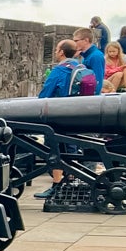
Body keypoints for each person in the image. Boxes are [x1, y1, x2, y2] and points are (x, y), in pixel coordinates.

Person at [34, 40, 94, 197]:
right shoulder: (80, 67)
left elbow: (45, 95)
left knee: (54, 150)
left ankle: (57, 185)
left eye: (56, 49)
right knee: (71, 148)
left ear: (61, 52)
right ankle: (70, 182)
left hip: (60, 116)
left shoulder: (60, 71)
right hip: (78, 115)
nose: (55, 52)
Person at [73, 27, 106, 92]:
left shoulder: (96, 56)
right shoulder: (86, 55)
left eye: (76, 41)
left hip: (91, 98)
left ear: (86, 40)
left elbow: (97, 81)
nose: (74, 44)